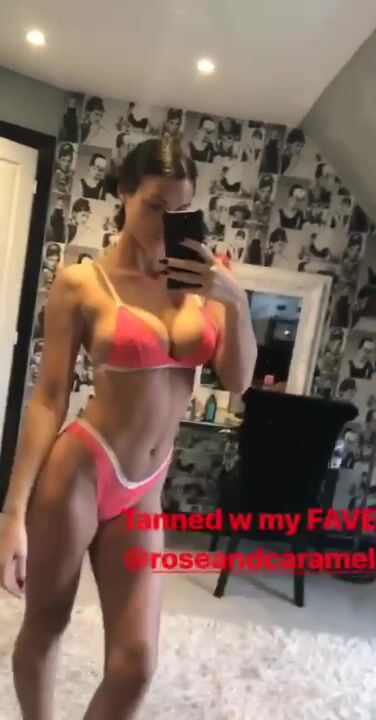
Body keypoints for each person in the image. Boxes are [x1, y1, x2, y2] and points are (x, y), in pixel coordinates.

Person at [0, 137, 257, 720]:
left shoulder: (208, 282)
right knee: (46, 624)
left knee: (137, 664)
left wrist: (234, 300)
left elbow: (238, 380)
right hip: (82, 472)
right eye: (154, 206)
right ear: (124, 193)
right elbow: (48, 398)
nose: (167, 223)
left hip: (145, 488)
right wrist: (13, 513)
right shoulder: (82, 283)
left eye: (181, 209)